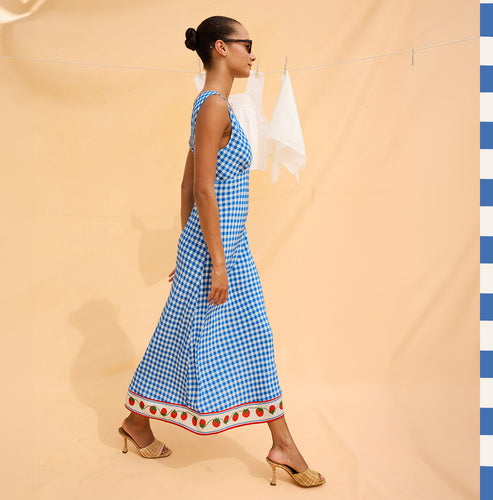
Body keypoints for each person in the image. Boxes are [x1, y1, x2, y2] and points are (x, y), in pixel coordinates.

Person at [117, 15, 325, 488]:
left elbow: (188, 182)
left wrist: (188, 246)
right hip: (220, 247)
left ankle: (139, 421)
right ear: (220, 47)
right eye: (246, 44)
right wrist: (213, 259)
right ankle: (283, 443)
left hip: (218, 243)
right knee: (239, 335)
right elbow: (204, 189)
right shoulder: (212, 107)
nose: (253, 53)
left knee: (189, 334)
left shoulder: (214, 105)